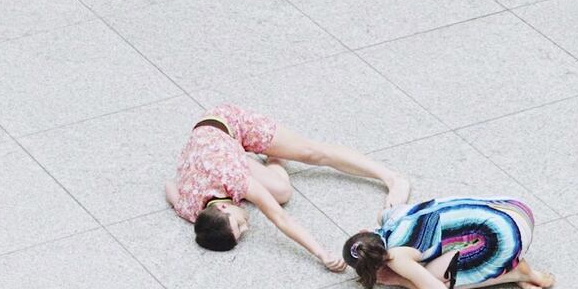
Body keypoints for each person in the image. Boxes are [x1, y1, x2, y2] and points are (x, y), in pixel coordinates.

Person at [164, 104, 409, 270]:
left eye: (239, 224)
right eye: (242, 230)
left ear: (224, 210)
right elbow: (170, 187)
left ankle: (391, 177)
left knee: (311, 153)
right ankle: (266, 156)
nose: (247, 225)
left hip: (228, 121)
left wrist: (321, 253)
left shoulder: (235, 179)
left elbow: (281, 219)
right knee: (282, 192)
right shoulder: (190, 209)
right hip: (221, 151)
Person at [342, 196, 554, 289]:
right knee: (441, 248)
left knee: (439, 278)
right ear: (365, 231)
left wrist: (400, 280)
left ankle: (515, 272)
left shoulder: (396, 256)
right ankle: (506, 264)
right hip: (513, 208)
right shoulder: (390, 217)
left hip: (507, 235)